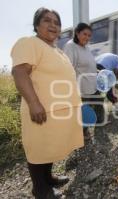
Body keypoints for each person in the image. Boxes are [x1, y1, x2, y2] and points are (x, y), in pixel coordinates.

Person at [11, 8, 84, 199]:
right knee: (38, 147)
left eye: (57, 22)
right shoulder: (30, 43)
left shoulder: (57, 50)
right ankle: (40, 189)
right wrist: (34, 103)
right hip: (41, 109)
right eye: (47, 21)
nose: (53, 25)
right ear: (36, 25)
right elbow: (19, 72)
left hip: (58, 110)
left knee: (49, 146)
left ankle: (48, 178)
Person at [63, 23, 100, 138]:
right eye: (85, 34)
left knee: (93, 107)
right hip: (81, 88)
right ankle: (80, 135)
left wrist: (98, 72)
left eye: (89, 35)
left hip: (92, 85)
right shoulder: (71, 46)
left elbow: (90, 65)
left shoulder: (86, 48)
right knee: (83, 112)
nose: (87, 38)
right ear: (77, 33)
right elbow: (68, 69)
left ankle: (87, 130)